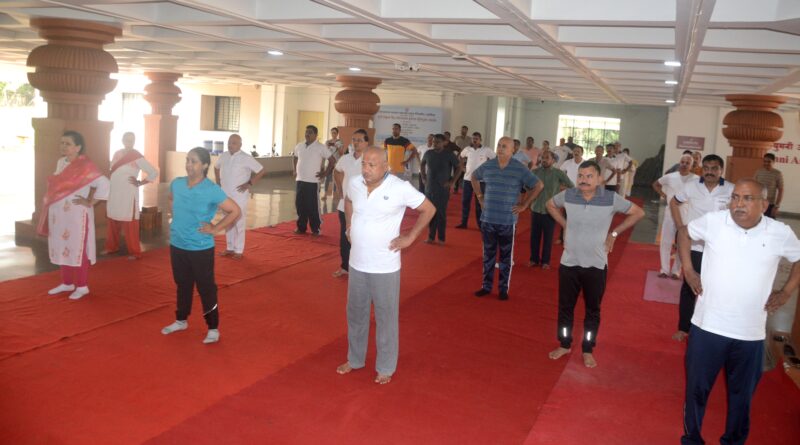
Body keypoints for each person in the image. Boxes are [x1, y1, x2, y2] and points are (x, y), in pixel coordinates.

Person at [677, 179, 800, 445]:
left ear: (764, 205)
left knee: (741, 397)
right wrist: (688, 269)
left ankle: (733, 441)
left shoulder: (779, 232)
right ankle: (692, 438)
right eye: (734, 197)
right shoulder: (714, 221)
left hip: (750, 334)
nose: (738, 204)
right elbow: (684, 233)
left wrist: (787, 291)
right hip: (707, 327)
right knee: (696, 391)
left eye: (747, 198)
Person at [336, 147, 436, 384]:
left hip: (385, 266)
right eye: (364, 164)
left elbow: (429, 209)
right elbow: (348, 201)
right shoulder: (355, 184)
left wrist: (410, 237)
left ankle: (385, 367)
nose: (366, 169)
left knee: (385, 317)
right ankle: (355, 358)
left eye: (372, 165)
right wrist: (349, 226)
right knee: (356, 315)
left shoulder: (400, 188)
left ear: (386, 166)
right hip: (357, 264)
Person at [546, 160, 645, 367]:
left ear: (600, 179)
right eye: (581, 175)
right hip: (569, 263)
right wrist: (565, 225)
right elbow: (550, 205)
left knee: (593, 310)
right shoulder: (569, 195)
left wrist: (615, 233)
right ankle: (564, 344)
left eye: (589, 176)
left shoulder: (610, 198)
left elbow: (638, 212)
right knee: (566, 307)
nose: (583, 180)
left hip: (596, 266)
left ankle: (588, 349)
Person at [161, 147, 241, 344]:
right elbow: (170, 200)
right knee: (182, 284)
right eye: (188, 160)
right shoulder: (177, 184)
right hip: (177, 244)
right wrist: (175, 216)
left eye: (194, 161)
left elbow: (234, 211)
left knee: (206, 287)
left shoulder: (211, 190)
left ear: (205, 165)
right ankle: (181, 320)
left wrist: (215, 229)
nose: (189, 164)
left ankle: (213, 327)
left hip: (200, 248)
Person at [668, 154, 734, 342]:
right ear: (702, 169)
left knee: (715, 288)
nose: (710, 172)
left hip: (719, 249)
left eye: (714, 168)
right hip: (694, 247)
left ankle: (711, 328)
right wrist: (681, 226)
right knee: (689, 287)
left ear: (721, 170)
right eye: (707, 168)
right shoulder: (692, 186)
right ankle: (683, 328)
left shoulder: (731, 189)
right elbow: (674, 202)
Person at [40, 130, 110, 301]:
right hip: (58, 215)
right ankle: (66, 282)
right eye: (62, 143)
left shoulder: (86, 166)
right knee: (61, 245)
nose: (63, 146)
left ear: (78, 147)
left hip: (76, 215)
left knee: (77, 248)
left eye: (68, 144)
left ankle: (82, 286)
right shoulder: (61, 162)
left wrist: (91, 202)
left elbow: (104, 183)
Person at [472, 136, 543, 300]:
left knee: (505, 256)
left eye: (505, 146)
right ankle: (486, 286)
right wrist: (480, 196)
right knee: (488, 255)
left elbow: (538, 185)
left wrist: (525, 205)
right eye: (499, 145)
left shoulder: (519, 168)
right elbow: (474, 177)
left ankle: (503, 289)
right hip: (488, 218)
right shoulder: (488, 166)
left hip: (507, 221)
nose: (501, 148)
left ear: (513, 150)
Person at [105, 131, 158, 260]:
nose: (129, 142)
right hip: (115, 192)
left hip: (129, 193)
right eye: (127, 139)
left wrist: (140, 182)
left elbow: (153, 172)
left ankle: (135, 252)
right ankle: (112, 247)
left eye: (132, 140)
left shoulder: (137, 156)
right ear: (123, 140)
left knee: (130, 223)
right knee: (113, 219)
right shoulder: (117, 153)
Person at [214, 134, 266, 259]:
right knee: (228, 221)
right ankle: (230, 248)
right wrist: (218, 181)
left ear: (240, 145)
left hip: (239, 195)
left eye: (234, 143)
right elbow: (216, 167)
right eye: (229, 142)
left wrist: (250, 183)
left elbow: (261, 170)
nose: (230, 145)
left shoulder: (245, 157)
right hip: (225, 194)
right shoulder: (224, 155)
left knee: (239, 221)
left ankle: (239, 250)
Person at [331, 129, 369, 278]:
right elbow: (336, 171)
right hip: (345, 205)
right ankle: (345, 266)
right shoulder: (345, 158)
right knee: (345, 237)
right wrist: (340, 189)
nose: (356, 143)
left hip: (364, 207)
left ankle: (363, 269)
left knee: (362, 238)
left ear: (367, 142)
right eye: (354, 140)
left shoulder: (371, 159)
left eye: (359, 140)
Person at [653, 153, 696, 279]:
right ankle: (664, 270)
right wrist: (664, 195)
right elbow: (655, 184)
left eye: (687, 163)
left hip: (686, 214)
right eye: (682, 162)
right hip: (669, 213)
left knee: (682, 243)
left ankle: (677, 271)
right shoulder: (670, 177)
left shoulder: (696, 179)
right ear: (679, 162)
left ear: (692, 165)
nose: (684, 165)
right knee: (666, 241)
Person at [530, 151, 573, 269]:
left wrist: (559, 188)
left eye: (547, 158)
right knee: (534, 237)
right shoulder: (535, 172)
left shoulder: (558, 173)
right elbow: (527, 186)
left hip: (550, 211)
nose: (544, 160)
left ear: (553, 160)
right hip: (536, 209)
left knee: (548, 238)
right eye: (542, 158)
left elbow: (571, 186)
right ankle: (533, 259)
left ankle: (545, 262)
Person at [292, 125, 336, 236]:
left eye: (310, 132)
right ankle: (301, 227)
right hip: (300, 180)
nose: (307, 134)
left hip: (312, 182)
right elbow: (295, 157)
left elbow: (332, 160)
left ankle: (315, 229)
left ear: (316, 135)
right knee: (300, 204)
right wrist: (294, 170)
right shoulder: (299, 146)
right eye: (306, 132)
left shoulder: (321, 147)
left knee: (312, 206)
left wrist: (325, 173)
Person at [420, 133, 463, 244]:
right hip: (429, 188)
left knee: (441, 213)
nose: (435, 144)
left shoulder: (449, 154)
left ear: (444, 143)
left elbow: (459, 167)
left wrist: (452, 181)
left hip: (442, 188)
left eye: (438, 142)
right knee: (430, 212)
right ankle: (431, 237)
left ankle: (441, 238)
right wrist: (423, 177)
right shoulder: (428, 153)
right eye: (434, 142)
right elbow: (422, 164)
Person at [456, 132, 495, 229]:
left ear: (480, 139)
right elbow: (460, 157)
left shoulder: (486, 150)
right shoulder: (467, 149)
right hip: (468, 180)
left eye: (477, 138)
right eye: (473, 138)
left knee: (479, 203)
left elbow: (495, 160)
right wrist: (462, 167)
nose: (474, 140)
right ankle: (464, 223)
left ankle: (481, 224)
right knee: (465, 201)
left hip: (481, 181)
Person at [754, 152, 783, 218]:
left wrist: (776, 206)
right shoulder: (758, 172)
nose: (766, 163)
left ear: (773, 162)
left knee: (769, 224)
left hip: (770, 205)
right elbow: (753, 186)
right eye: (764, 161)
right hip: (758, 203)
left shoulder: (778, 173)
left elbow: (781, 190)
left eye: (769, 161)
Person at [323, 127, 344, 196]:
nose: (333, 134)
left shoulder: (340, 142)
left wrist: (336, 146)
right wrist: (328, 147)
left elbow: (341, 153)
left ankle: (334, 193)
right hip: (328, 162)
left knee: (335, 178)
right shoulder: (327, 142)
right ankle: (325, 194)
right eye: (332, 133)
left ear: (337, 133)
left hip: (336, 162)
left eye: (335, 133)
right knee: (327, 178)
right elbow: (324, 152)